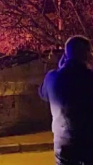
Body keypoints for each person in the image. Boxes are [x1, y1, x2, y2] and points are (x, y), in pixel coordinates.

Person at [39, 36, 93, 165]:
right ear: (86, 54)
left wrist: (61, 67)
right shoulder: (90, 77)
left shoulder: (52, 77)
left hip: (63, 143)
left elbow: (43, 94)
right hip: (89, 142)